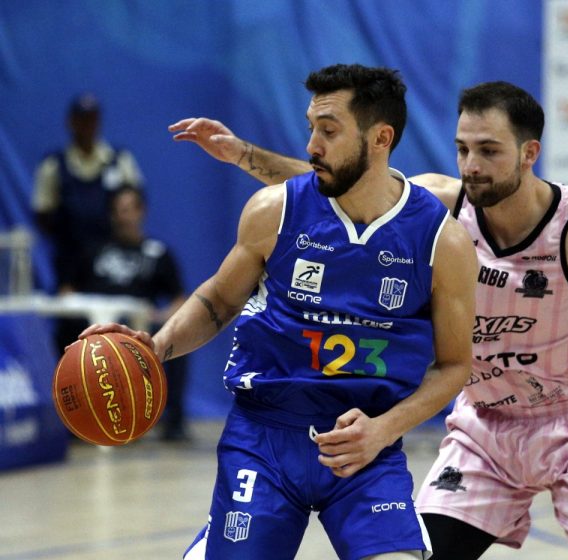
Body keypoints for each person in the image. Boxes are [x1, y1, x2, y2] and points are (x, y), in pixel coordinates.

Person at [169, 79, 568, 560]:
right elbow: (341, 180)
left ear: (529, 153)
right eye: (462, 149)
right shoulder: (439, 210)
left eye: (489, 151)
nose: (471, 165)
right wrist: (243, 154)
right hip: (486, 431)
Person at [78, 64, 478, 560]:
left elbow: (455, 365)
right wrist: (154, 349)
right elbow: (219, 301)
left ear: (381, 138)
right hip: (264, 436)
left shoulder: (443, 241)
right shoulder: (275, 210)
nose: (312, 145)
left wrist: (384, 429)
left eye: (328, 131)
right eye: (311, 127)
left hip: (364, 444)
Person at [60, 184, 190, 441]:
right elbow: (67, 289)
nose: (124, 216)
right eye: (119, 210)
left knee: (177, 341)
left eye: (129, 209)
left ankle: (173, 422)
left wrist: (161, 318)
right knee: (65, 334)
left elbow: (179, 299)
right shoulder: (94, 250)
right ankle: (74, 419)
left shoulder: (158, 253)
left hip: (137, 328)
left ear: (142, 211)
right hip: (95, 328)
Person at [31, 92, 144, 353]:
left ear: (99, 121)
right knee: (72, 337)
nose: (87, 125)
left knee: (117, 337)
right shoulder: (54, 165)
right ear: (71, 122)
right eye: (82, 119)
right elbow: (42, 215)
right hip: (71, 265)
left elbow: (135, 201)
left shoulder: (119, 160)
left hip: (113, 266)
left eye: (92, 119)